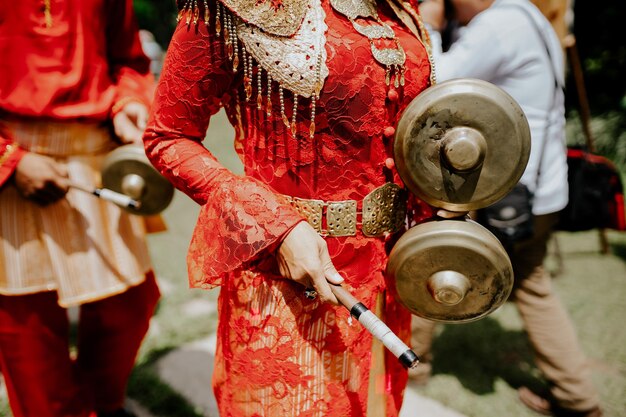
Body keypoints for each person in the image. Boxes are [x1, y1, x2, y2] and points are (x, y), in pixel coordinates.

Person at [141, 0, 462, 414]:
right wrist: (275, 226)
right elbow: (168, 135)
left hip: (385, 275)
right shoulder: (230, 7)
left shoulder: (396, 5)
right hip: (288, 284)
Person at [413, 1, 603, 416]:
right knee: (533, 287)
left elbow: (432, 76)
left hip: (512, 192)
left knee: (432, 259)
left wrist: (427, 22)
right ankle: (577, 398)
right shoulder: (530, 15)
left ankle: (412, 365)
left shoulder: (498, 24)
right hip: (542, 187)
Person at [0, 2, 160, 417]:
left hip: (95, 155)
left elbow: (128, 60)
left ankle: (100, 405)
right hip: (12, 169)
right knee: (25, 332)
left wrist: (129, 104)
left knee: (128, 307)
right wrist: (11, 159)